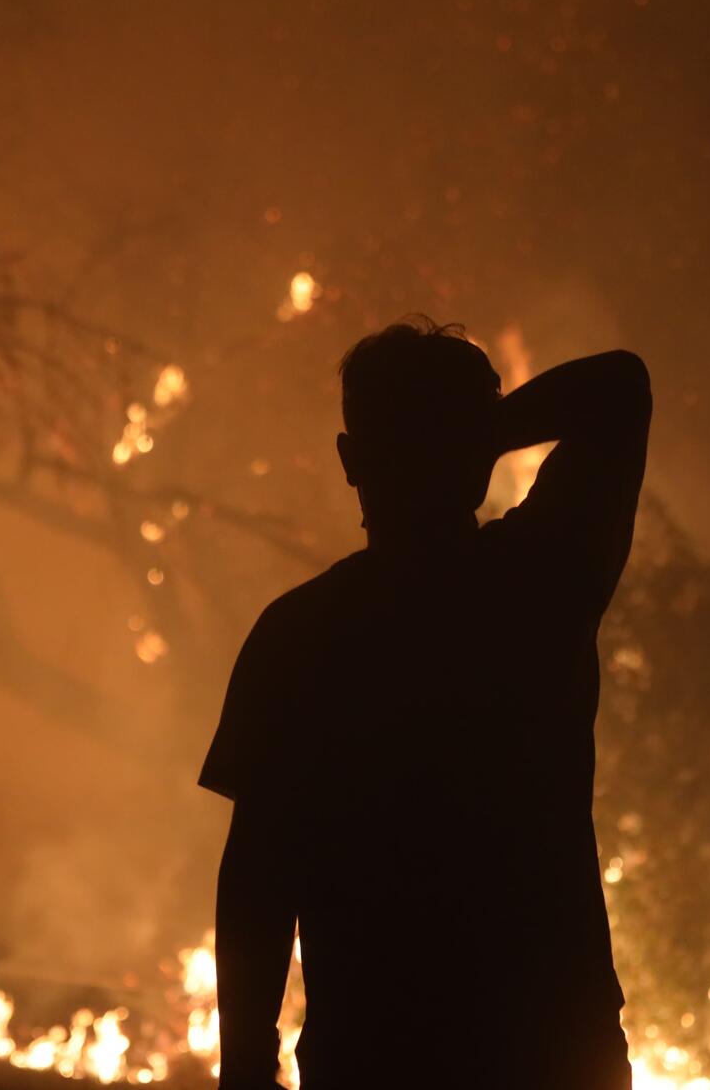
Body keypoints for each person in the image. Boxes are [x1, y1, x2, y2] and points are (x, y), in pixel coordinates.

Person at [199, 317, 651, 1089]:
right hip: (552, 1048)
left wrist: (245, 1061)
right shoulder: (541, 583)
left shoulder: (298, 634)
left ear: (350, 459)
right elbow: (618, 389)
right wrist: (475, 433)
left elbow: (259, 872)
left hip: (373, 1055)